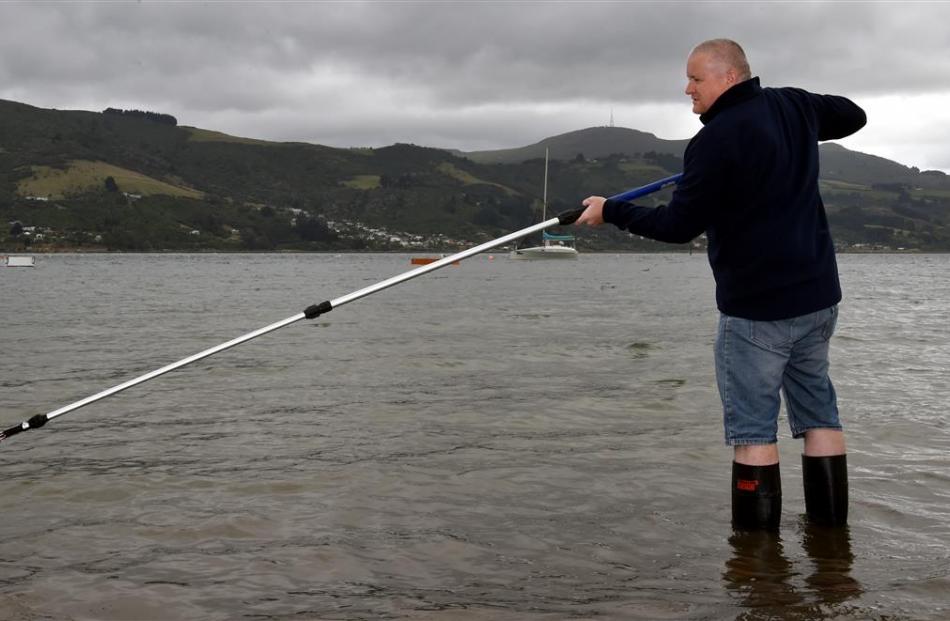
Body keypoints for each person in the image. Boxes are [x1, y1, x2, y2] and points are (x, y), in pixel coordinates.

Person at [574, 39, 866, 530]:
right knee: (820, 419)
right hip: (818, 299)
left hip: (757, 312)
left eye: (695, 78)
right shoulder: (791, 104)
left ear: (729, 77)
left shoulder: (715, 140)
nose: (687, 89)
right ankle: (831, 543)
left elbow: (676, 226)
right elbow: (851, 115)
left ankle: (756, 565)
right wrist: (795, 125)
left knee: (754, 434)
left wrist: (612, 210)